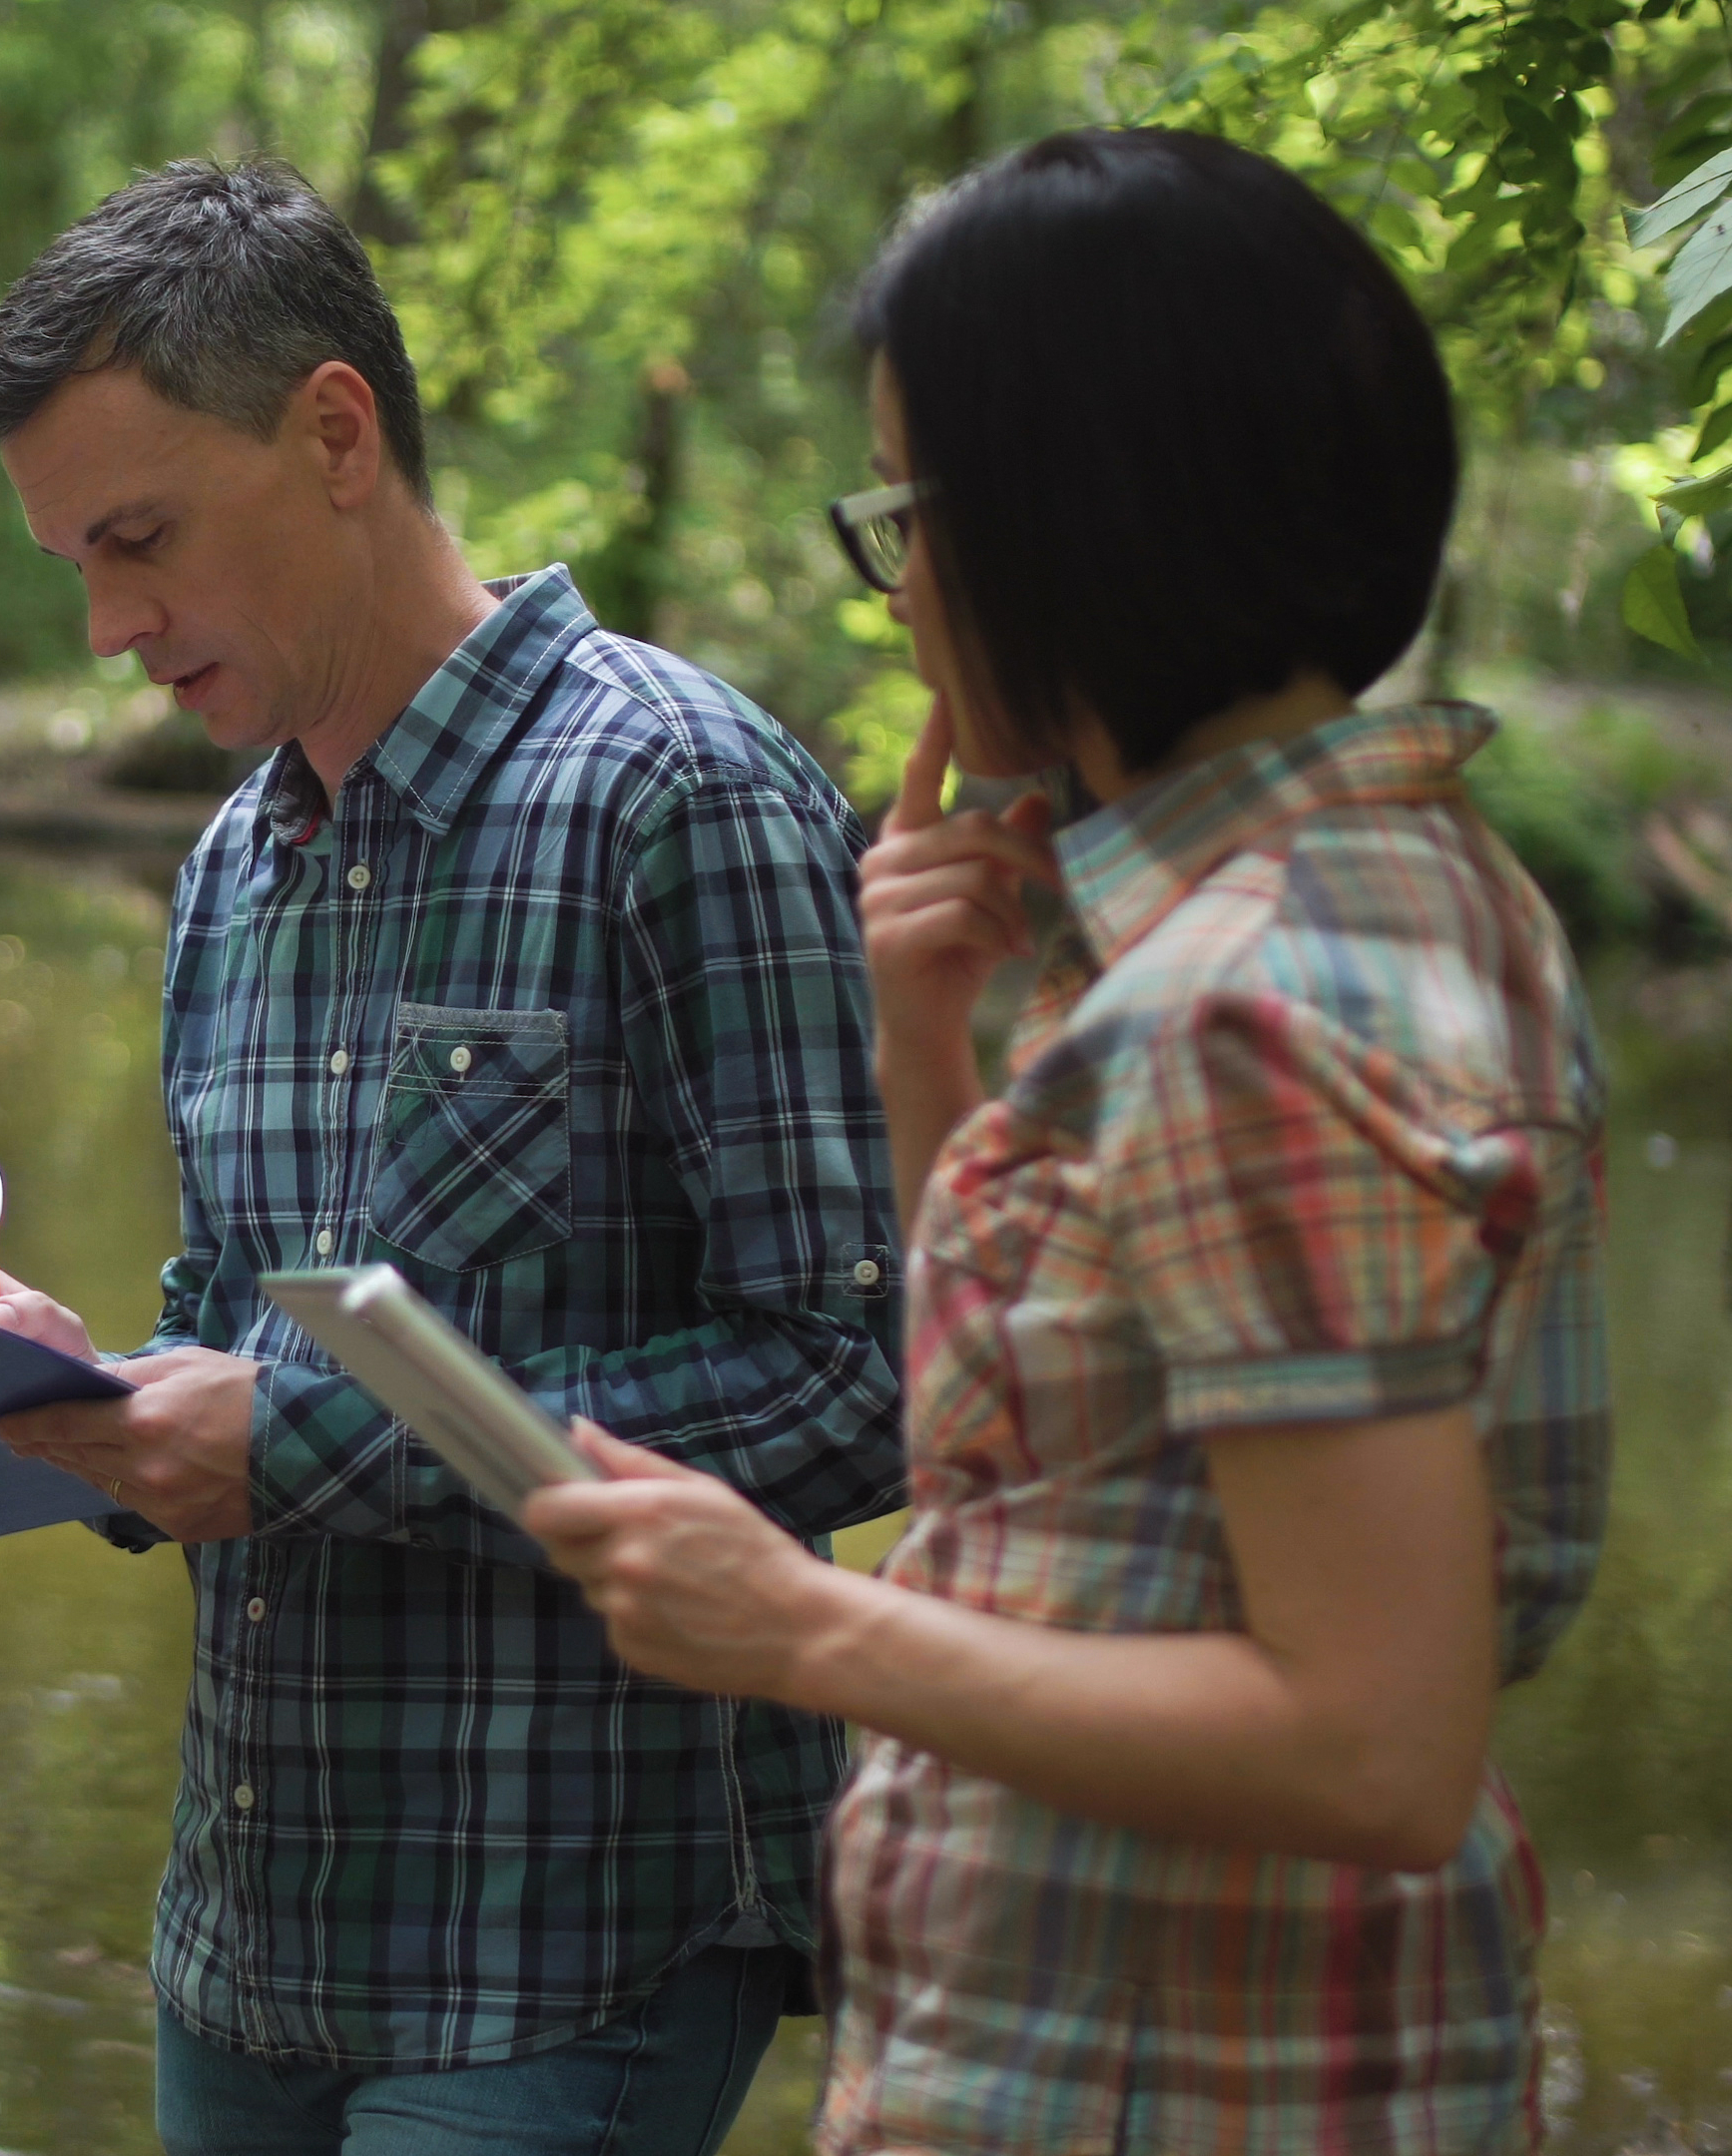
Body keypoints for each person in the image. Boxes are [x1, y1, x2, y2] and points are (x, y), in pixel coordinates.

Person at [523, 128, 1610, 2154]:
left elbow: (1374, 1742)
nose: (904, 581)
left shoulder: (1248, 1007)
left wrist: (799, 1625)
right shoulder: (1393, 893)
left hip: (1172, 2080)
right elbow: (1072, 1472)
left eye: (910, 512)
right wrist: (927, 1037)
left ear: (1068, 517)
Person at [0, 160, 907, 2156]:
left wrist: (281, 1443)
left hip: (571, 1947)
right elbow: (233, 1330)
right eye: (75, 569)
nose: (115, 628)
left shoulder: (680, 791)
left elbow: (851, 1387)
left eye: (140, 540)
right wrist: (80, 1396)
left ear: (336, 432)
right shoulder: (232, 866)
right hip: (247, 1944)